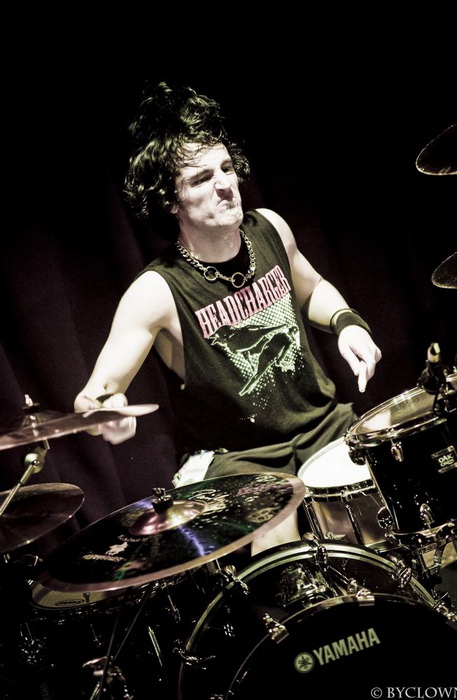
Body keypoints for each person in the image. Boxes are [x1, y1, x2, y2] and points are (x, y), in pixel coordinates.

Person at [74, 81, 382, 556]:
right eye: (201, 179)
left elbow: (312, 287)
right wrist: (105, 415)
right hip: (240, 457)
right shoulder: (156, 291)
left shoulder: (270, 227)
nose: (225, 184)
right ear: (170, 201)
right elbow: (94, 396)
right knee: (280, 549)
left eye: (227, 167)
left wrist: (347, 322)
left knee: (377, 531)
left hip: (321, 424)